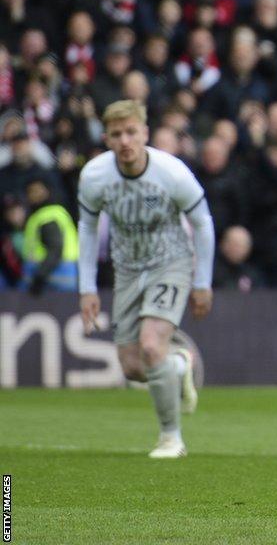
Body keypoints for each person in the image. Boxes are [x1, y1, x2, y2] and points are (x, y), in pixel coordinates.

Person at [77, 100, 213, 459]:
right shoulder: (94, 176)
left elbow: (202, 222)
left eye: (131, 132)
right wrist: (87, 288)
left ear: (145, 133)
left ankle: (171, 438)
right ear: (106, 138)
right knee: (135, 367)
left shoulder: (171, 172)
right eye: (117, 134)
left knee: (151, 346)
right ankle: (180, 363)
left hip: (171, 262)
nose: (125, 141)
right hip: (127, 270)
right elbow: (88, 229)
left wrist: (203, 281)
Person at [21, 178, 78, 294]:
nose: (34, 195)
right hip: (62, 275)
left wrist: (39, 277)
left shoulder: (47, 216)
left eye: (38, 190)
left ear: (47, 191)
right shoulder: (52, 213)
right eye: (30, 192)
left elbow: (55, 248)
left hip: (54, 277)